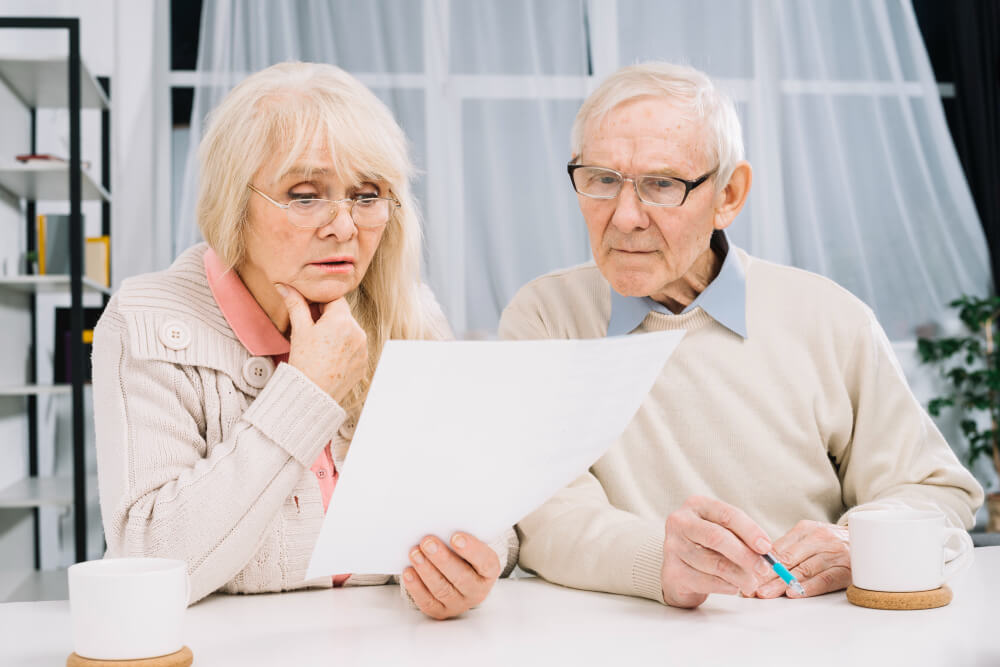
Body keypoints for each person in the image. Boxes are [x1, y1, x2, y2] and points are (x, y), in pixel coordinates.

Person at [499, 61, 982, 609]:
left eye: (661, 184)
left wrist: (855, 542)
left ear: (728, 195)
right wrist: (662, 560)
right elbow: (544, 514)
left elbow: (935, 490)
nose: (625, 216)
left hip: (818, 641)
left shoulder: (828, 317)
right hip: (620, 637)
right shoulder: (543, 317)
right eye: (602, 180)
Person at [93, 62, 517, 619]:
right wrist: (307, 389)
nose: (344, 226)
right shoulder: (145, 319)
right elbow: (151, 562)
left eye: (366, 195)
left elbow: (495, 525)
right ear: (233, 206)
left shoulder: (412, 313)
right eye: (305, 194)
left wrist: (464, 569)